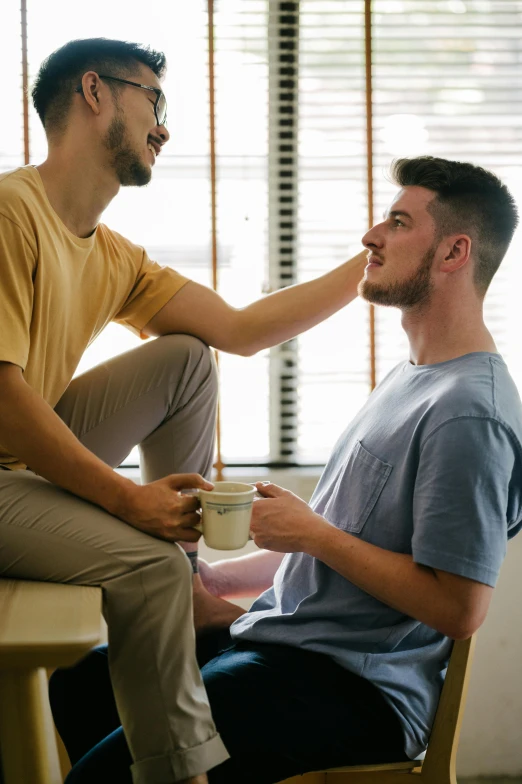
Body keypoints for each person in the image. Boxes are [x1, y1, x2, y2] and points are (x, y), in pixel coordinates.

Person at [49, 155, 522, 784]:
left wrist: (310, 532)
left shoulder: (469, 413)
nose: (371, 237)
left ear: (454, 252)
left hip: (353, 684)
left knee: (110, 770)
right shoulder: (413, 377)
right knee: (81, 685)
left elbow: (459, 608)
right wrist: (221, 586)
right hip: (289, 644)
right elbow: (349, 543)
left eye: (398, 222)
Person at [0, 37, 368, 784]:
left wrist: (375, 261)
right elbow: (4, 405)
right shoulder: (10, 213)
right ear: (95, 92)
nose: (164, 127)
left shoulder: (114, 255)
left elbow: (238, 331)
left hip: (18, 463)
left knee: (187, 356)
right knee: (147, 570)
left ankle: (191, 571)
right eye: (154, 103)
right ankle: (182, 775)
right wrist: (131, 503)